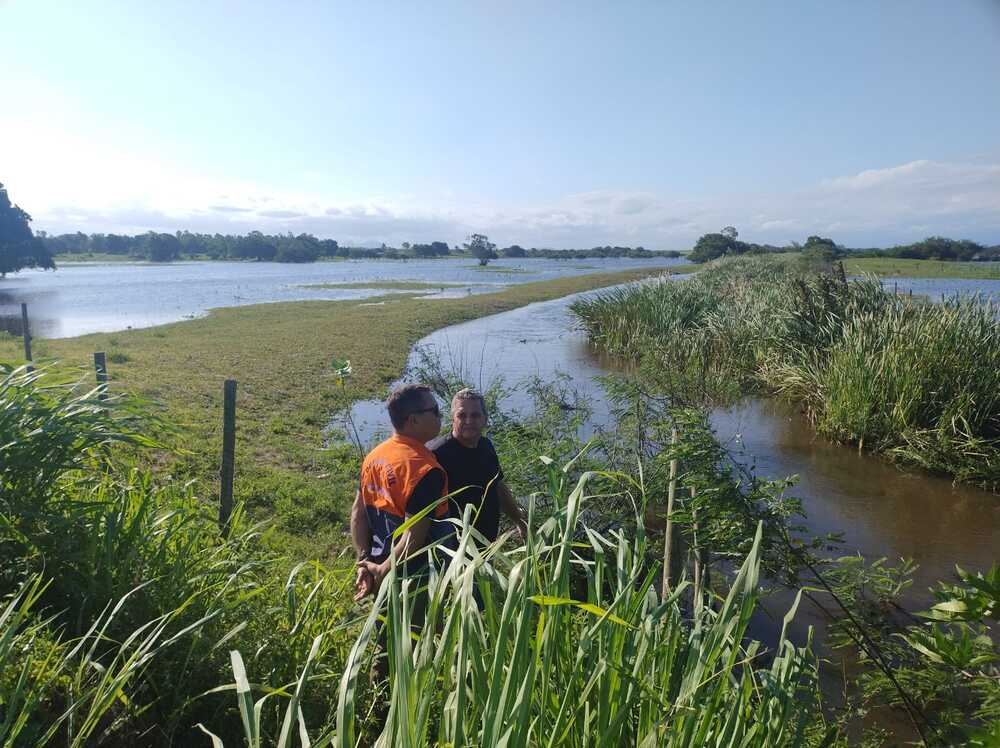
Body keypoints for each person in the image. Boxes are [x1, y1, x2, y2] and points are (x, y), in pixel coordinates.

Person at [350, 384, 450, 611]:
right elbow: (413, 538)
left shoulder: (375, 456)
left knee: (384, 632)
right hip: (415, 575)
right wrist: (384, 571)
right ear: (413, 420)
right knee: (418, 638)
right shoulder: (423, 470)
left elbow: (358, 515)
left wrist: (365, 562)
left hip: (378, 561)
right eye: (434, 411)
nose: (440, 416)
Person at [429, 388, 527, 544]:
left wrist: (519, 521)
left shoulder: (486, 446)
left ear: (485, 419)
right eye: (462, 415)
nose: (468, 421)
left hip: (487, 541)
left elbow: (497, 486)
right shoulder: (437, 455)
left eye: (475, 415)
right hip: (452, 548)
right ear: (452, 418)